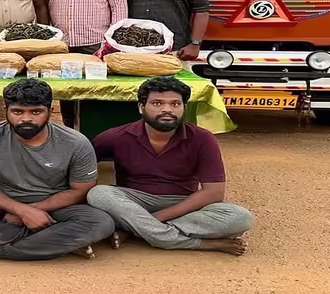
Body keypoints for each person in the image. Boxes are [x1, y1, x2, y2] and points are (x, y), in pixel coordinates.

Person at [0, 79, 114, 264]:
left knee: (101, 221)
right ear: (6, 109)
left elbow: (80, 191)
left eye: (36, 112)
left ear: (49, 110)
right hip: (3, 206)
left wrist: (32, 211)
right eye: (17, 111)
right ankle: (56, 242)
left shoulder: (76, 143)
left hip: (57, 208)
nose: (26, 119)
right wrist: (20, 210)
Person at [86, 77, 254, 255]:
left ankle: (135, 231)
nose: (167, 109)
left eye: (175, 104)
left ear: (184, 108)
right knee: (99, 194)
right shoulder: (114, 137)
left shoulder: (203, 138)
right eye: (157, 103)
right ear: (141, 107)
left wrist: (152, 220)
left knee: (241, 218)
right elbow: (81, 172)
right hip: (132, 203)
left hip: (182, 203)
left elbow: (214, 193)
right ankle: (200, 243)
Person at [41, 0, 128, 128]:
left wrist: (111, 46)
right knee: (66, 94)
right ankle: (70, 132)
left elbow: (119, 10)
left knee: (95, 93)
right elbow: (43, 10)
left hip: (96, 46)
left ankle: (94, 133)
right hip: (63, 48)